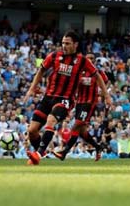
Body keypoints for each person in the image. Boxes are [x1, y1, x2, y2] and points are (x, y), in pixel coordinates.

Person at [22, 31, 111, 165]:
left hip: (66, 99)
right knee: (32, 131)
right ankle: (41, 153)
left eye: (67, 43)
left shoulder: (82, 61)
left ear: (75, 44)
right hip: (48, 97)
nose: (64, 46)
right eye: (63, 43)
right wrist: (31, 88)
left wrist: (107, 96)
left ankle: (39, 154)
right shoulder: (54, 56)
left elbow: (98, 76)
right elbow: (41, 70)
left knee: (53, 121)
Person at [52, 54, 109, 162]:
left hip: (89, 103)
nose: (90, 60)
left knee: (76, 126)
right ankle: (98, 147)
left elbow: (106, 82)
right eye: (88, 59)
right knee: (82, 131)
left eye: (92, 59)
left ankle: (64, 152)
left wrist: (102, 92)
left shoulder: (98, 72)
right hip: (79, 103)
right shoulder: (78, 72)